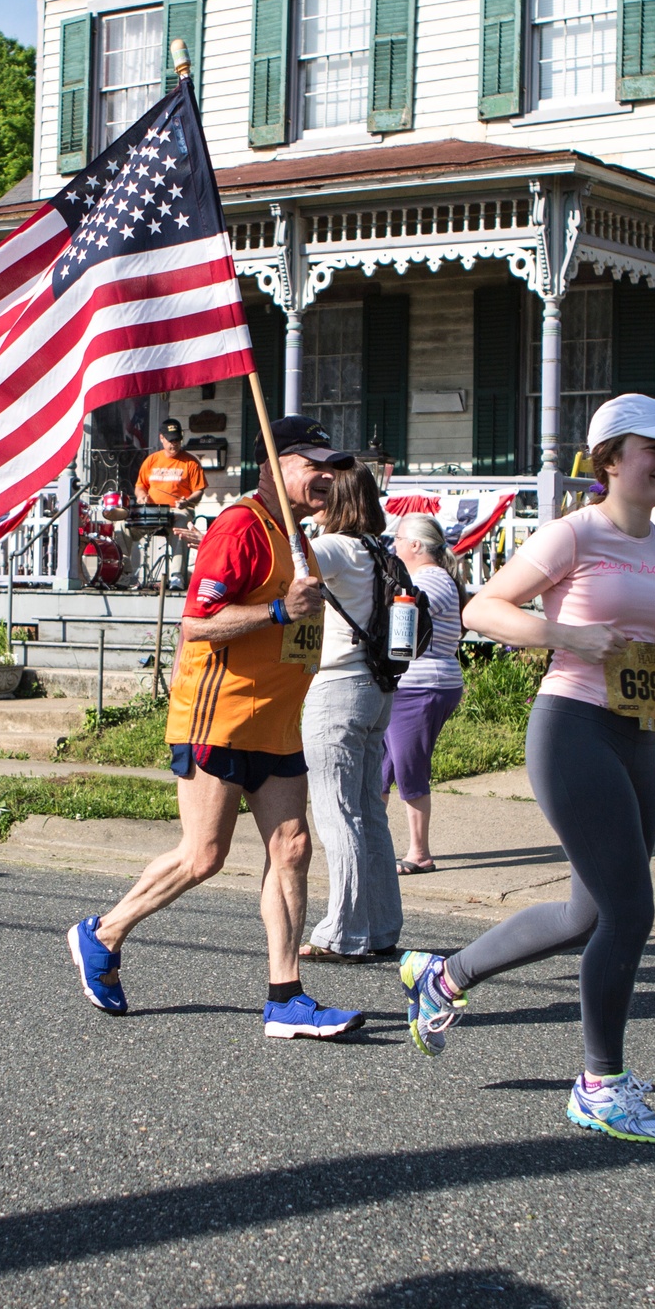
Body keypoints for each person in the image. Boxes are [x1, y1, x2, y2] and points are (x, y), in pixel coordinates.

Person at [399, 394, 655, 1144]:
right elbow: (486, 608)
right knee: (632, 912)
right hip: (573, 729)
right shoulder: (574, 533)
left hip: (636, 733)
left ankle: (443, 976)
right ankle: (599, 1084)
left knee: (585, 915)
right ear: (612, 459)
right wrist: (566, 634)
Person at [68, 414, 366, 1041]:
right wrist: (280, 609)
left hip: (278, 722)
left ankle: (285, 997)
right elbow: (197, 623)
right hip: (220, 714)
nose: (326, 478)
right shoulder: (240, 526)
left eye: (332, 468)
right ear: (274, 465)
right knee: (204, 855)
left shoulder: (299, 537)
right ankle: (103, 934)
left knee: (292, 848)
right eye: (314, 465)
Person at [299, 462, 402, 963]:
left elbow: (287, 567)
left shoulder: (336, 547)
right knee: (368, 811)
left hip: (338, 686)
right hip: (378, 686)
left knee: (338, 813)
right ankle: (381, 926)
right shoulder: (381, 549)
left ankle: (342, 932)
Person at [381, 514, 467, 875]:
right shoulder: (432, 578)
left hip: (421, 686)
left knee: (408, 768)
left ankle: (419, 853)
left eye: (398, 539)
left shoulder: (427, 580)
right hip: (416, 684)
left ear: (415, 545)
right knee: (380, 768)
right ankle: (374, 843)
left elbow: (402, 625)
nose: (394, 545)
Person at [133, 418, 206, 589]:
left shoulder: (191, 462)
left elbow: (199, 491)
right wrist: (141, 496)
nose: (174, 444)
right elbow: (139, 486)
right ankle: (126, 575)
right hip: (152, 512)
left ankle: (176, 577)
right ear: (161, 438)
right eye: (170, 440)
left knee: (181, 523)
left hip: (177, 511)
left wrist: (187, 501)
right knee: (123, 525)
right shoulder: (152, 460)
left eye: (177, 440)